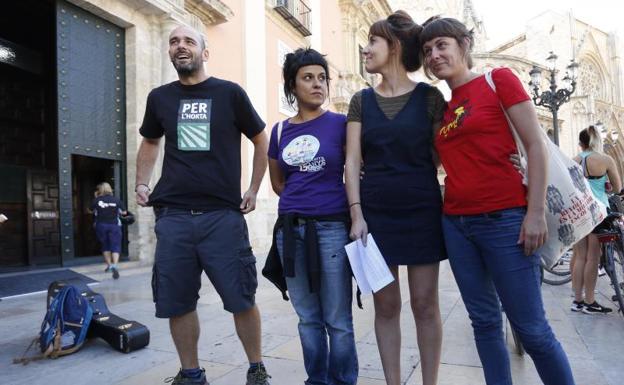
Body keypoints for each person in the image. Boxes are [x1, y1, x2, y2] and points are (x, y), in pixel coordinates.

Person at [421, 17, 575, 385]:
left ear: (464, 44)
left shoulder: (498, 80)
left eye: (442, 45)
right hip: (456, 224)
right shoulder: (442, 109)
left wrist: (535, 212)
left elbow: (536, 144)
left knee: (532, 329)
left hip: (506, 219)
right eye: (427, 51)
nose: (434, 55)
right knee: (485, 323)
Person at [135, 26, 270, 385]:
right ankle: (191, 374)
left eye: (189, 41)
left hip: (222, 216)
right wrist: (141, 182)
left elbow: (261, 140)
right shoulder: (159, 97)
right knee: (177, 302)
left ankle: (256, 369)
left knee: (241, 297)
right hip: (174, 216)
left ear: (204, 53)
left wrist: (254, 189)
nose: (180, 47)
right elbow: (150, 142)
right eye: (174, 42)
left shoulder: (229, 94)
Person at [345, 11, 446, 385]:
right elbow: (352, 161)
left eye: (373, 41)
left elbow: (441, 154)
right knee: (386, 306)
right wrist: (356, 214)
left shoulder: (430, 98)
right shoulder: (361, 100)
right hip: (375, 214)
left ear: (395, 47)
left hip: (422, 210)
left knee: (424, 304)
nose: (366, 48)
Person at [266, 48, 358, 385]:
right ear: (293, 85)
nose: (317, 84)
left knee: (337, 317)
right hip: (290, 230)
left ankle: (344, 380)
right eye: (308, 78)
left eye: (322, 78)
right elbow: (278, 183)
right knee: (307, 317)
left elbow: (354, 171)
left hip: (333, 227)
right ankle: (316, 380)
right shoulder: (278, 132)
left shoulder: (341, 124)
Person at [571, 126, 622, 314]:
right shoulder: (605, 160)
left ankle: (577, 301)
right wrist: (604, 185)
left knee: (580, 257)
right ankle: (590, 301)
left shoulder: (574, 161)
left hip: (578, 212)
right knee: (593, 257)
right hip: (597, 212)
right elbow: (617, 188)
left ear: (581, 142)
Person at [91, 182, 127, 279]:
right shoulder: (116, 200)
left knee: (105, 245)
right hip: (114, 225)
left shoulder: (97, 200)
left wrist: (96, 198)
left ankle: (109, 265)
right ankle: (115, 265)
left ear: (100, 190)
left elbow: (90, 210)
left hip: (101, 225)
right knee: (115, 245)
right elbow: (124, 212)